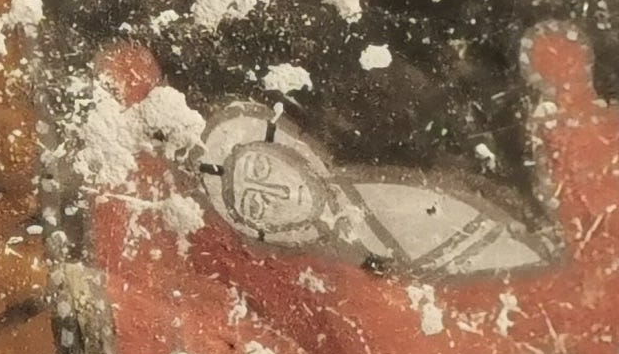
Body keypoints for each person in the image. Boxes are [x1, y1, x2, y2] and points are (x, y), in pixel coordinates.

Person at [199, 102, 557, 277]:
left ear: (292, 154)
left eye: (262, 169)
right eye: (256, 205)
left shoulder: (389, 199)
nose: (280, 193)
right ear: (264, 229)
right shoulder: (323, 272)